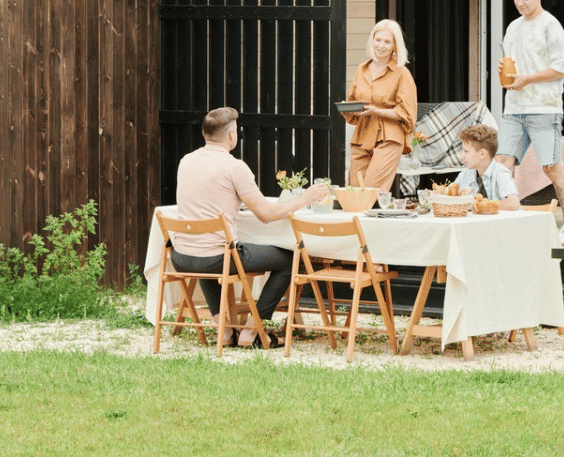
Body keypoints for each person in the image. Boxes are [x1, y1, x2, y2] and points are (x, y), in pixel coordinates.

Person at [171, 106, 329, 348]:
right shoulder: (235, 167)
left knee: (207, 245)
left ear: (205, 133)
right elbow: (266, 214)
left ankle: (223, 329)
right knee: (289, 259)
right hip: (216, 258)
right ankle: (252, 329)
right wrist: (305, 197)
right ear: (232, 135)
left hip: (182, 257)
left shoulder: (186, 161)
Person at [496, 0, 564, 246]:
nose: (520, 3)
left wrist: (528, 78)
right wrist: (505, 71)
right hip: (513, 108)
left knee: (551, 166)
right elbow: (513, 63)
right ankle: (507, 216)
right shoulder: (512, 27)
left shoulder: (550, 26)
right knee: (502, 163)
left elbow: (563, 67)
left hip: (545, 109)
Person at [342, 19, 418, 191]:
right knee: (354, 190)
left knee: (370, 191)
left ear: (395, 46)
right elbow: (353, 102)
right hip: (362, 134)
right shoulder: (362, 69)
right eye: (378, 40)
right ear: (372, 40)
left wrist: (377, 111)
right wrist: (349, 108)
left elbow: (407, 113)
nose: (381, 45)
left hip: (389, 136)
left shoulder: (401, 73)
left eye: (387, 41)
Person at [454, 124, 520, 211]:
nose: (461, 156)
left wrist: (479, 206)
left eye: (466, 151)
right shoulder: (466, 173)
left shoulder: (500, 172)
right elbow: (449, 193)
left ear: (482, 154)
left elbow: (513, 203)